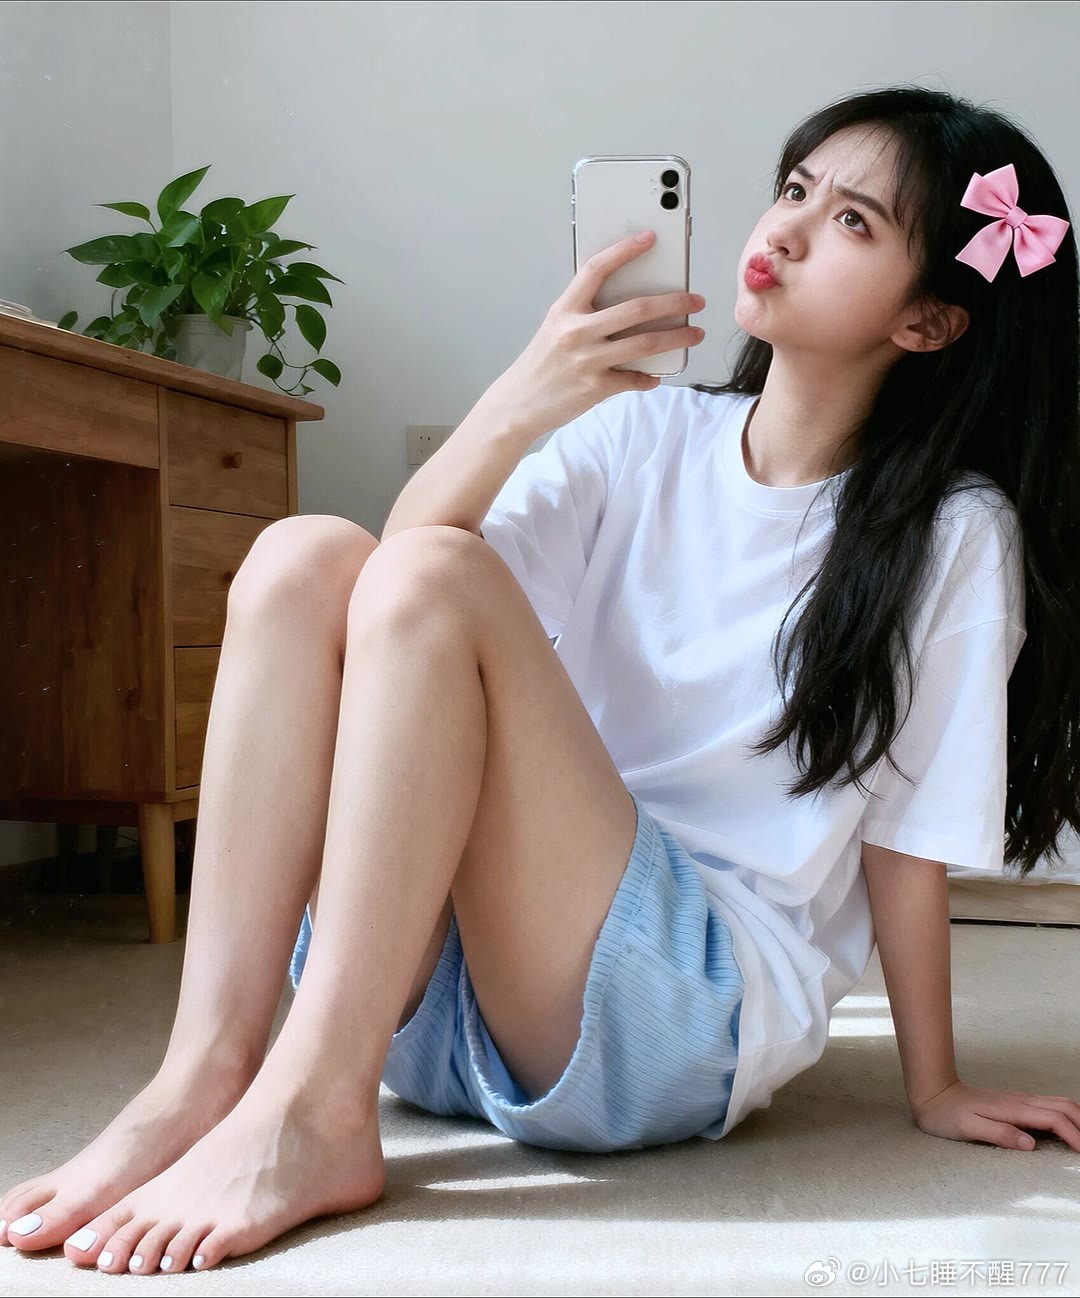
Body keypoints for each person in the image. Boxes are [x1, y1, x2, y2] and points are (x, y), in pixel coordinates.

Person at [4, 83, 1080, 1276]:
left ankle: (310, 1109)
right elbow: (394, 603)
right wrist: (523, 399)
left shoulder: (950, 531)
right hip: (421, 995)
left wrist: (936, 1082)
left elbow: (902, 837)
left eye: (852, 222)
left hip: (672, 1014)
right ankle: (205, 1074)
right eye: (794, 189)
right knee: (305, 556)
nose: (783, 230)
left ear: (927, 321)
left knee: (436, 576)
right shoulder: (641, 433)